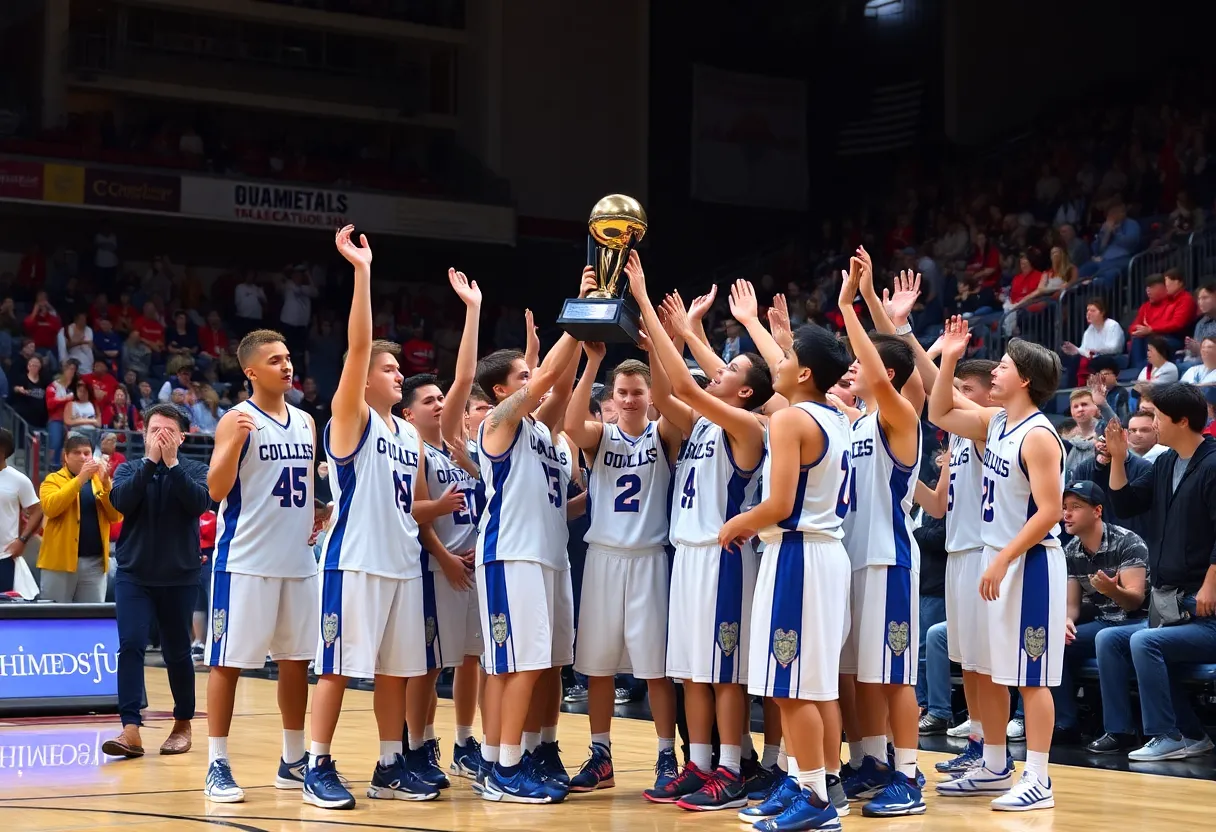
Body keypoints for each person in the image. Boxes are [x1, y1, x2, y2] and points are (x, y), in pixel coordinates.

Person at [306, 227, 454, 808]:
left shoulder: (409, 436)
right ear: (363, 376)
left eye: (399, 371)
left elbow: (412, 507)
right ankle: (318, 763)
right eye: (389, 369)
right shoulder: (351, 418)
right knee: (337, 670)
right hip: (353, 562)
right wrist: (363, 272)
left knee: (395, 672)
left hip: (401, 563)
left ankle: (390, 764)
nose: (399, 375)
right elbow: (360, 342)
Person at [628, 256, 771, 811]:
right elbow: (668, 395)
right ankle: (702, 762)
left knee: (725, 672)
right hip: (687, 556)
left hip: (725, 557)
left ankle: (734, 771)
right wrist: (656, 344)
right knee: (692, 670)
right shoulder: (706, 421)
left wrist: (644, 299)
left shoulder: (748, 427)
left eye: (729, 370)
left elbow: (684, 384)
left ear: (743, 392)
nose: (720, 371)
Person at [716, 314, 852, 830]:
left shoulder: (791, 420)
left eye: (788, 356)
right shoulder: (835, 413)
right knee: (808, 684)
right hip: (820, 552)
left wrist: (739, 523)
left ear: (804, 373)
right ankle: (805, 783)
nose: (780, 361)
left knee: (791, 686)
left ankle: (815, 799)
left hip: (797, 552)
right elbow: (794, 370)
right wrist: (768, 331)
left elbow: (777, 502)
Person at [930, 317, 1065, 811]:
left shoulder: (1039, 435)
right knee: (986, 669)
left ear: (1024, 378)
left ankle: (1039, 777)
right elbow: (940, 409)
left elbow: (1050, 511)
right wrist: (947, 357)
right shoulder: (997, 422)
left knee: (1032, 675)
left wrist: (1004, 558)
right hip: (997, 557)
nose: (996, 374)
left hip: (1028, 563)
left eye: (1004, 366)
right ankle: (992, 764)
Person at [471, 271, 588, 804]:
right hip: (511, 555)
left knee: (537, 666)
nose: (532, 377)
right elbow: (545, 384)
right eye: (521, 374)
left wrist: (589, 356)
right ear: (501, 390)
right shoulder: (496, 423)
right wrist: (581, 308)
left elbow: (556, 388)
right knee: (517, 665)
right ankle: (505, 768)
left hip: (547, 557)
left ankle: (506, 759)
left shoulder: (542, 430)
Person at [201, 327, 323, 803]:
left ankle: (293, 760)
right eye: (275, 360)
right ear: (251, 370)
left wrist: (318, 511)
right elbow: (214, 490)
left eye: (288, 357)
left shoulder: (307, 421)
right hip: (246, 561)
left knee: (296, 662)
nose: (287, 366)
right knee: (227, 662)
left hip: (296, 561)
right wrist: (233, 446)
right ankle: (217, 762)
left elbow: (302, 484)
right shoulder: (236, 418)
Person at [833, 255, 926, 817]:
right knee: (863, 672)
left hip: (890, 561)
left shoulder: (899, 418)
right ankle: (872, 758)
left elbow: (892, 363)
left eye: (861, 363)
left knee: (893, 675)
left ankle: (908, 777)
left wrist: (856, 305)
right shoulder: (857, 421)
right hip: (853, 559)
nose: (851, 368)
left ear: (885, 375)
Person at [562, 347, 679, 794]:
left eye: (637, 392)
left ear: (650, 396)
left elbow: (671, 403)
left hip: (649, 557)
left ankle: (667, 755)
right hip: (603, 557)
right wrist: (591, 363)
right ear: (612, 396)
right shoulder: (600, 435)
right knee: (598, 666)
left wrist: (660, 355)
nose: (629, 400)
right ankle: (600, 755)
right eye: (622, 392)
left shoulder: (663, 433)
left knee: (655, 669)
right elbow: (572, 425)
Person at [1102, 383, 1216, 761]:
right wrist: (1118, 459)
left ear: (1182, 421)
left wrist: (1210, 586)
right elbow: (1126, 502)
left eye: (1156, 418)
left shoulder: (1213, 463)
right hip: (1170, 604)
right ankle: (1129, 731)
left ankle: (1171, 734)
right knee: (1111, 640)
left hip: (1204, 606)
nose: (1151, 425)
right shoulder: (1166, 462)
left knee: (1144, 642)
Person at [101, 404, 211, 759]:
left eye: (168, 432)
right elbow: (121, 502)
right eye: (154, 432)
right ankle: (130, 727)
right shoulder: (130, 468)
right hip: (134, 574)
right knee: (131, 644)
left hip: (179, 576)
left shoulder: (196, 469)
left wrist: (172, 464)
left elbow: (198, 504)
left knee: (177, 652)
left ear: (182, 436)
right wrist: (150, 463)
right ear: (144, 434)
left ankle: (182, 723)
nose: (160, 438)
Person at [914, 358, 999, 777]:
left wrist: (907, 335)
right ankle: (977, 742)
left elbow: (936, 390)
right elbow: (935, 503)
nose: (957, 393)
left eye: (967, 388)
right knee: (966, 661)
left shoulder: (989, 427)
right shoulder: (958, 440)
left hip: (983, 552)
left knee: (984, 661)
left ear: (990, 393)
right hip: (957, 552)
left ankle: (993, 755)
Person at [397, 372, 480, 789]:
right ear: (409, 414)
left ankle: (465, 743)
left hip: (472, 566)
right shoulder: (414, 451)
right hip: (437, 567)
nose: (439, 403)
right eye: (429, 400)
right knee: (427, 667)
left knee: (471, 659)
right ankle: (418, 745)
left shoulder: (460, 449)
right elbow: (410, 510)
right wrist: (444, 557)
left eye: (442, 396)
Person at [1053, 481, 1148, 741]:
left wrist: (1112, 590)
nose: (1067, 514)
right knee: (1052, 641)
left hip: (1140, 624)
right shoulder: (1071, 550)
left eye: (1075, 507)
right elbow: (1071, 606)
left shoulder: (1128, 542)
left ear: (1097, 511)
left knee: (1105, 639)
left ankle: (1119, 731)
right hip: (1105, 622)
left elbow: (1134, 602)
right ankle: (1066, 724)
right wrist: (1065, 622)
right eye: (1064, 508)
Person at [37, 434, 122, 603]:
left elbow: (116, 516)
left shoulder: (100, 481)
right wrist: (81, 478)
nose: (83, 457)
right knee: (55, 619)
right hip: (59, 563)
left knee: (90, 621)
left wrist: (107, 485)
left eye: (87, 453)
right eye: (77, 453)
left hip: (94, 564)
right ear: (66, 457)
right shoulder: (52, 480)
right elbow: (51, 508)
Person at [0, 428, 43, 595]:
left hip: (4, 557)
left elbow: (37, 510)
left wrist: (22, 540)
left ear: (3, 451)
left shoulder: (19, 480)